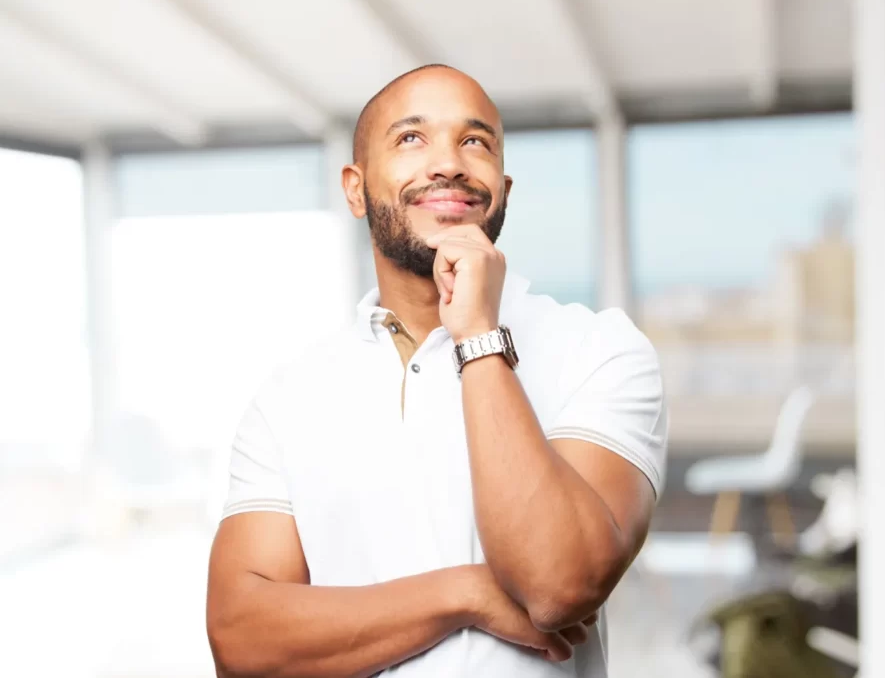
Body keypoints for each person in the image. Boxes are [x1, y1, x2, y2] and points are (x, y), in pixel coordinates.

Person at [206, 64, 667, 678]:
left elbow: (559, 585)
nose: (448, 163)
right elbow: (241, 642)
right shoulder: (289, 397)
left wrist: (477, 334)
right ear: (354, 187)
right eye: (411, 139)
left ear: (501, 188)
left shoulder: (601, 350)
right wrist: (467, 596)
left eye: (474, 141)